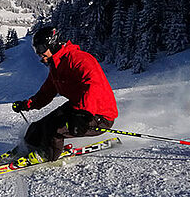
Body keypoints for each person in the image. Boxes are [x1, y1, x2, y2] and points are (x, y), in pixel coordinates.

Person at [12, 26, 118, 161]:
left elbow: (93, 86)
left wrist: (84, 114)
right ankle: (28, 148)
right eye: (36, 50)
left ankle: (46, 155)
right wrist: (26, 105)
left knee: (54, 130)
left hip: (98, 114)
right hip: (77, 108)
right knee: (38, 127)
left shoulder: (79, 59)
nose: (39, 54)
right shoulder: (56, 66)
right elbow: (46, 92)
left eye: (41, 49)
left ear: (52, 44)